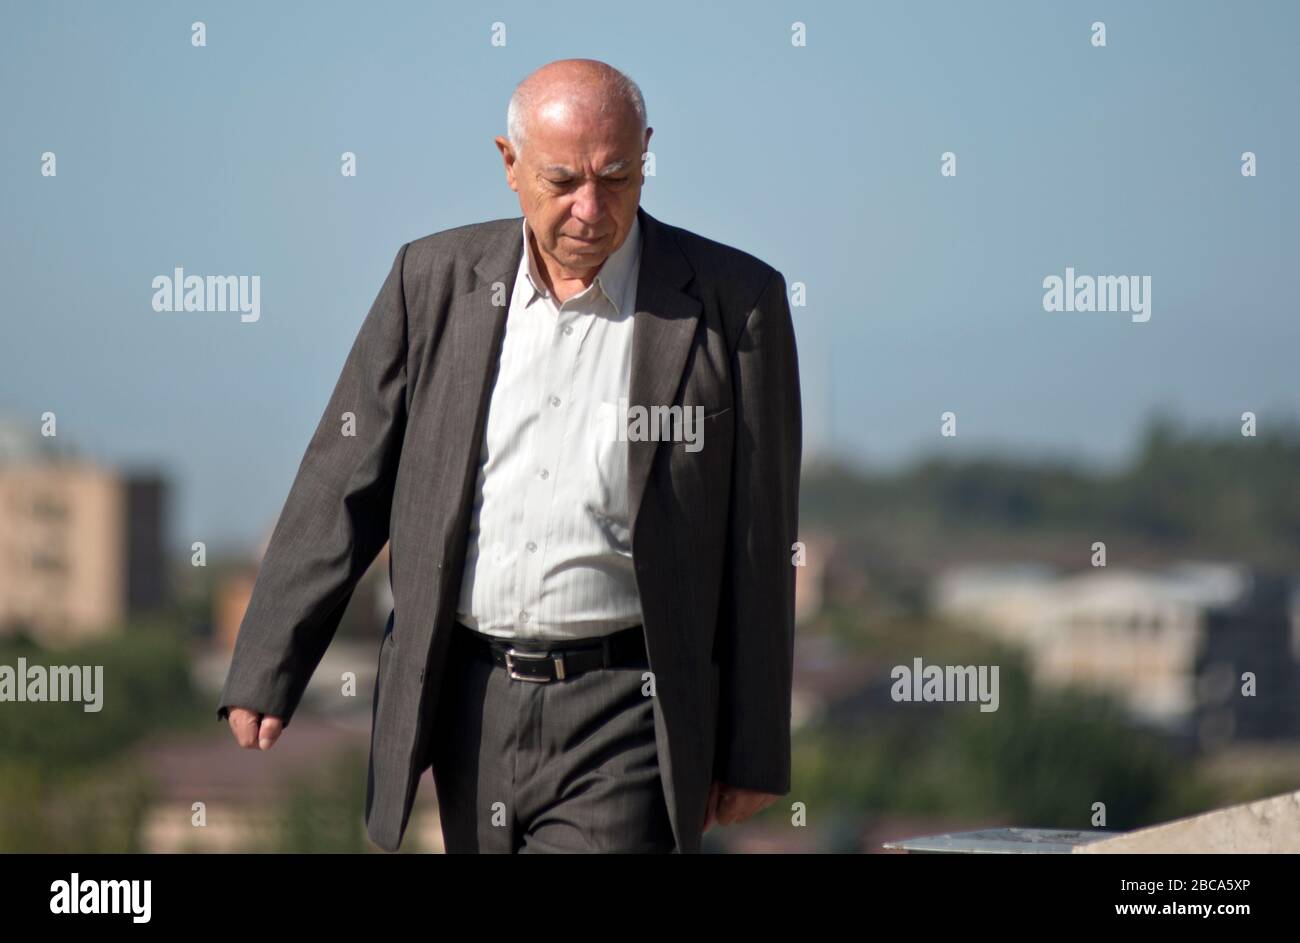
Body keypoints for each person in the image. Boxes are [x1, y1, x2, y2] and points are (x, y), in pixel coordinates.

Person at [217, 58, 802, 853]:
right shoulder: (430, 282)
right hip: (467, 702)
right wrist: (269, 661)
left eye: (619, 177)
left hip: (630, 710)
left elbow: (759, 539)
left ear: (647, 155)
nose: (591, 208)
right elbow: (341, 480)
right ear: (509, 164)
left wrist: (753, 744)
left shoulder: (736, 303)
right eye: (563, 181)